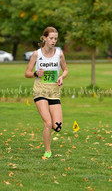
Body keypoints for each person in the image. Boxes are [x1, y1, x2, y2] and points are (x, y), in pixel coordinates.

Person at [25, 27, 68, 158]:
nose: (53, 41)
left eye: (55, 38)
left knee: (57, 126)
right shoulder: (36, 54)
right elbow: (27, 73)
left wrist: (61, 77)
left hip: (54, 93)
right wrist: (35, 73)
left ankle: (50, 124)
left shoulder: (59, 54)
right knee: (48, 123)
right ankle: (48, 151)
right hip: (40, 92)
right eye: (51, 38)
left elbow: (65, 70)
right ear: (44, 38)